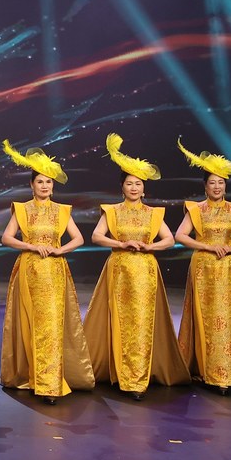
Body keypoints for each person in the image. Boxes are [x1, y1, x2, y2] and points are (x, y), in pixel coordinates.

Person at [83, 133, 190, 399]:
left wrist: (149, 247)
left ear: (144, 189)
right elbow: (96, 236)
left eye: (138, 184)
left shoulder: (152, 214)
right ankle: (119, 372)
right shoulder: (112, 211)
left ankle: (138, 376)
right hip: (119, 269)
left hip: (145, 271)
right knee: (118, 319)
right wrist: (120, 243)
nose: (134, 188)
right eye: (129, 183)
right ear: (122, 187)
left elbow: (169, 239)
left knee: (142, 321)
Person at [0, 140, 94, 404]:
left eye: (48, 182)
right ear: (32, 185)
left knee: (51, 324)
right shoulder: (22, 209)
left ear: (53, 185)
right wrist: (30, 246)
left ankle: (49, 380)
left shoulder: (61, 211)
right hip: (29, 270)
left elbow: (78, 238)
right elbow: (6, 237)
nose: (44, 186)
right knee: (29, 322)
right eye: (39, 181)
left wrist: (60, 250)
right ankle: (30, 375)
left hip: (54, 271)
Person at [174, 138, 231, 394]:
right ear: (205, 186)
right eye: (212, 183)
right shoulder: (196, 209)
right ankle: (200, 368)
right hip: (203, 267)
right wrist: (207, 246)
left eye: (221, 182)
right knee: (201, 317)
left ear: (225, 185)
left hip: (227, 268)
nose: (217, 186)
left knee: (224, 319)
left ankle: (222, 375)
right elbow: (180, 235)